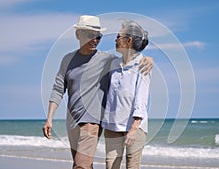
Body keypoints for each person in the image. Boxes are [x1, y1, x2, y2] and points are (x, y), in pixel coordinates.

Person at [42, 15, 153, 169]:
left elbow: (132, 60)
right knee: (83, 163)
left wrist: (149, 59)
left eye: (98, 36)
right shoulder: (74, 60)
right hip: (81, 121)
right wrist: (49, 118)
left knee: (82, 165)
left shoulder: (113, 61)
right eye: (90, 35)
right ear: (78, 34)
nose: (95, 40)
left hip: (94, 120)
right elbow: (58, 88)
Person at [102, 20, 151, 169]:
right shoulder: (112, 63)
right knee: (110, 166)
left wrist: (133, 129)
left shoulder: (142, 65)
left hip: (134, 127)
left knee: (132, 166)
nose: (115, 40)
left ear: (128, 40)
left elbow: (140, 101)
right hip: (112, 125)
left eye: (118, 36)